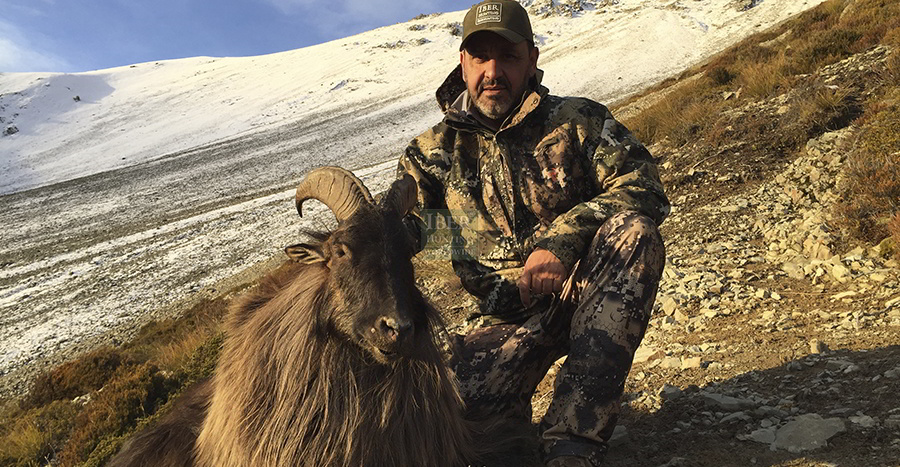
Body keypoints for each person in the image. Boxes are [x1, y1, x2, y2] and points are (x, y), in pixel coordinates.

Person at [396, 1, 669, 465]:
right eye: (480, 57)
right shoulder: (430, 154)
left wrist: (559, 242)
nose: (493, 71)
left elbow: (643, 186)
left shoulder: (578, 121)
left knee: (633, 233)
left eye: (508, 56)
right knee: (454, 421)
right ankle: (511, 413)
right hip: (504, 316)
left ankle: (573, 441)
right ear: (462, 64)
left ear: (532, 59)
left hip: (585, 286)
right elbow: (414, 232)